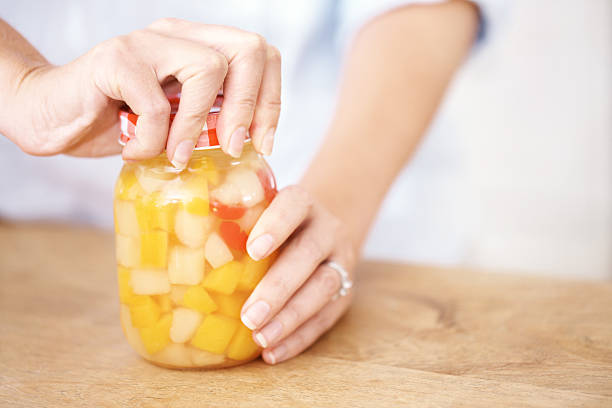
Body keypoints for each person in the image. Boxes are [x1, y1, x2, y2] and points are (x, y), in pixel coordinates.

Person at [0, 0, 494, 364]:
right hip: (29, 257)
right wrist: (22, 87)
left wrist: (335, 209)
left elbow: (423, 10)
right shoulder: (139, 184)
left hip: (357, 193)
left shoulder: (246, 179)